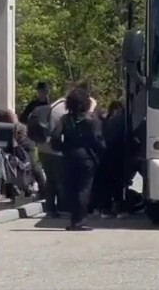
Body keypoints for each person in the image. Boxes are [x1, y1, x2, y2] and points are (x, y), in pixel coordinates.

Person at [57, 86, 104, 231]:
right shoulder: (92, 120)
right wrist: (99, 153)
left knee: (71, 188)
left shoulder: (64, 119)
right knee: (84, 189)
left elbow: (54, 139)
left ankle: (73, 220)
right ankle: (80, 221)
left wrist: (64, 148)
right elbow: (98, 141)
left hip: (69, 157)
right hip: (87, 158)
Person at [30, 81, 71, 217]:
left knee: (50, 179)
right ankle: (63, 208)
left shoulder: (51, 107)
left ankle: (50, 209)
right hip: (57, 149)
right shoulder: (65, 109)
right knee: (61, 179)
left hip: (43, 148)